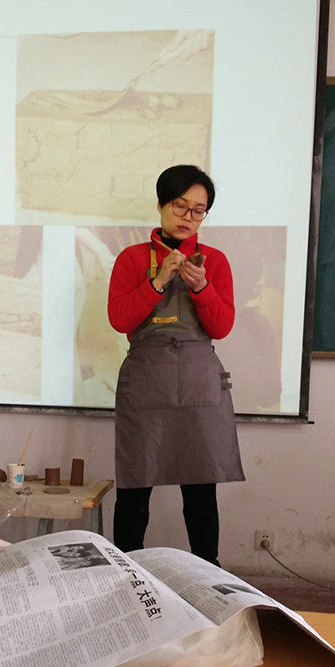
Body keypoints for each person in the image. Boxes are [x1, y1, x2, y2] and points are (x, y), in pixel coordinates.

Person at [107, 165, 244, 566]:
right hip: (146, 385)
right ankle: (127, 576)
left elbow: (221, 326)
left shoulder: (214, 261)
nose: (188, 217)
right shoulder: (133, 258)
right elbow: (120, 319)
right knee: (134, 494)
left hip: (198, 385)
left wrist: (202, 286)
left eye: (198, 210)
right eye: (180, 206)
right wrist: (157, 281)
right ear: (161, 205)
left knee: (201, 496)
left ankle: (208, 577)